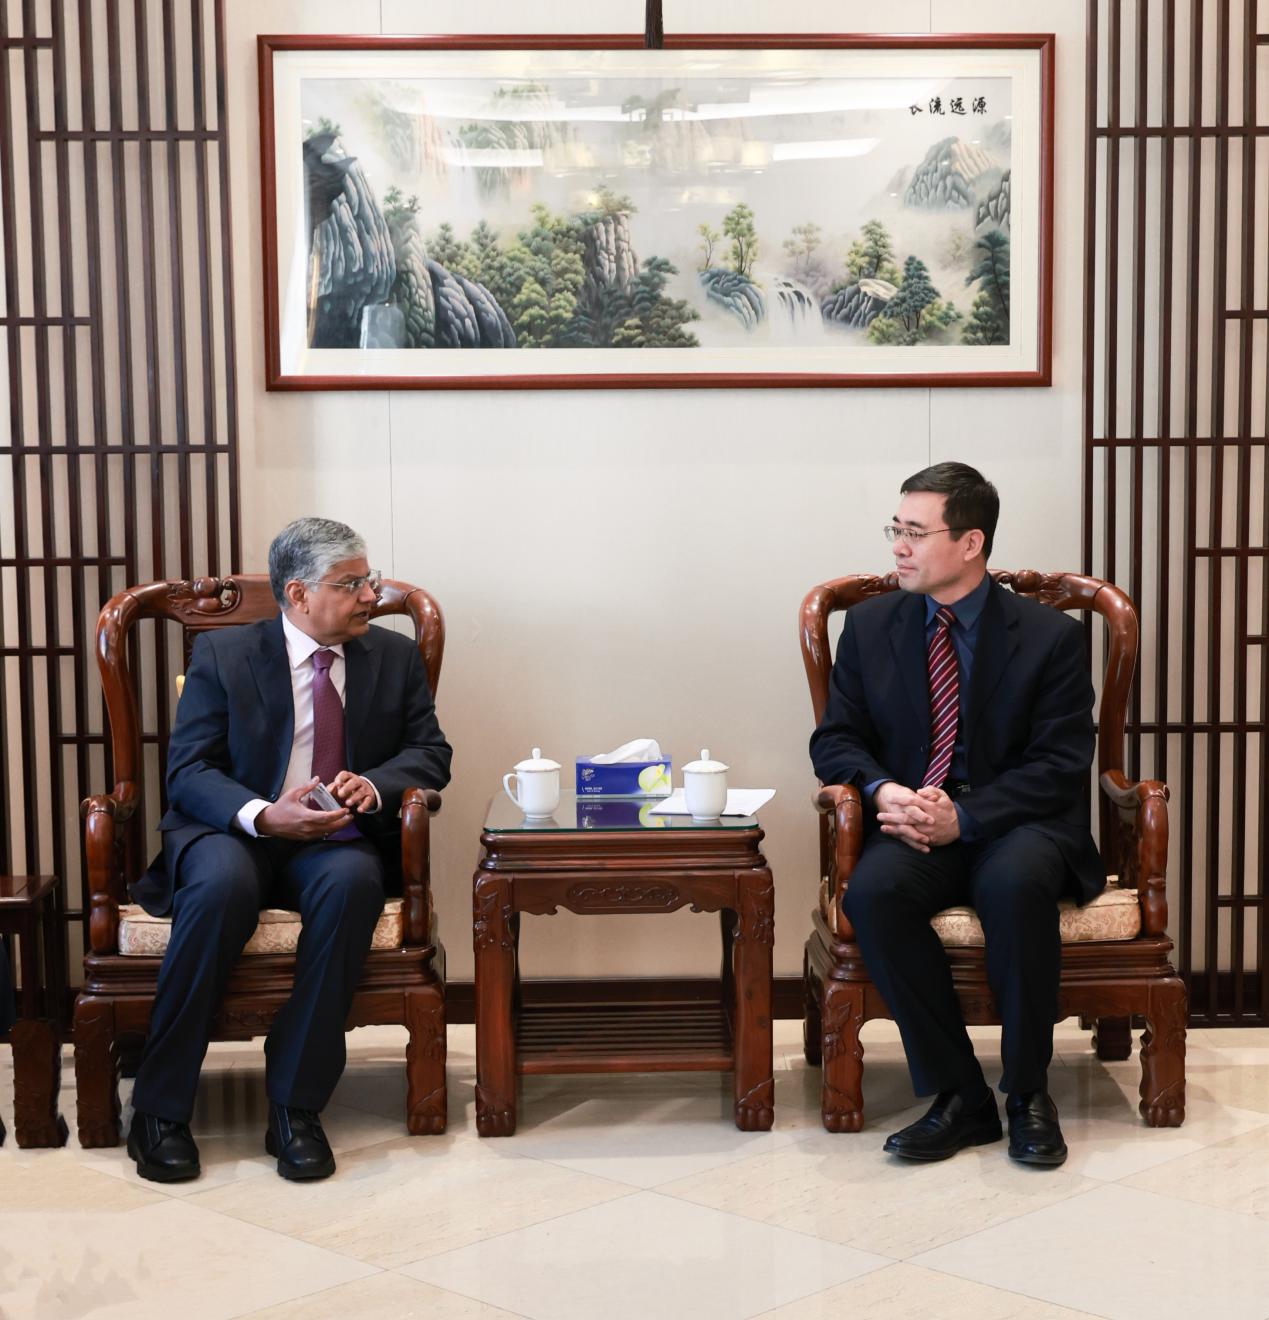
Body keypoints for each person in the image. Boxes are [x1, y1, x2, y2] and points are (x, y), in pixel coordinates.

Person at [126, 517, 452, 1183]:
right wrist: (263, 815)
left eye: (369, 580)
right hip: (233, 833)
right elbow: (189, 771)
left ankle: (295, 1107)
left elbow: (430, 753)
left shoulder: (391, 657)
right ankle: (159, 1110)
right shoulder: (224, 655)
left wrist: (374, 784)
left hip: (333, 842)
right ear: (299, 594)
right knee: (220, 887)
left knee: (353, 884)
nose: (370, 595)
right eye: (351, 584)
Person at [809, 463, 1103, 1167]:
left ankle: (1027, 1093)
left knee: (1014, 884)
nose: (898, 547)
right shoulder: (869, 626)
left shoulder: (1049, 637)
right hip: (914, 819)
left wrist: (964, 819)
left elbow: (1059, 764)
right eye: (895, 529)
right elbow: (836, 739)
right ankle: (961, 1097)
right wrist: (883, 790)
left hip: (1019, 823)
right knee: (874, 894)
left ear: (970, 543)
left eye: (915, 532)